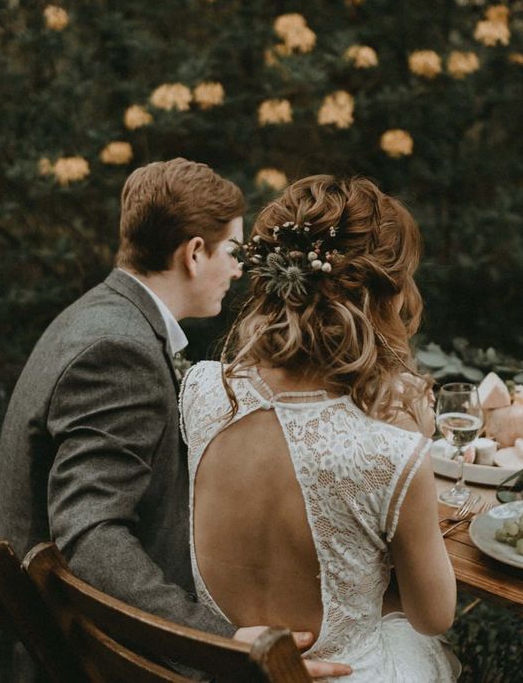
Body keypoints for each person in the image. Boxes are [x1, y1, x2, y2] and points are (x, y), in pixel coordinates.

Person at [0, 159, 348, 681]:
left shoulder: (101, 314)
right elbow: (91, 535)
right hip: (56, 658)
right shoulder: (116, 350)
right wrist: (219, 640)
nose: (239, 270)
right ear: (194, 253)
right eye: (233, 252)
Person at [180, 175, 460, 681]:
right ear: (385, 298)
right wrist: (412, 445)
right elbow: (433, 615)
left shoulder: (201, 391)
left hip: (224, 666)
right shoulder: (392, 453)